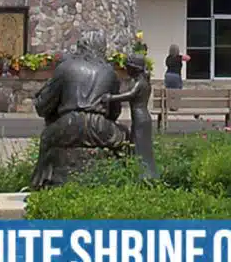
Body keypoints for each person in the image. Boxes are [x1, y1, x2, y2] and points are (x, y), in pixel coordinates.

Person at [29, 29, 126, 189]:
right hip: (100, 126)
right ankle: (123, 180)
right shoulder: (110, 72)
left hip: (68, 124)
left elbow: (43, 107)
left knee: (47, 138)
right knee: (125, 139)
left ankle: (40, 182)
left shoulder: (65, 68)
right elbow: (115, 112)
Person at [112, 54, 158, 180]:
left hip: (140, 118)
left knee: (140, 146)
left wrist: (110, 98)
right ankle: (139, 172)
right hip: (141, 118)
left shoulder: (140, 83)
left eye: (128, 68)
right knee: (137, 144)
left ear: (134, 69)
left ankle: (145, 174)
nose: (126, 71)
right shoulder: (142, 81)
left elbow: (129, 95)